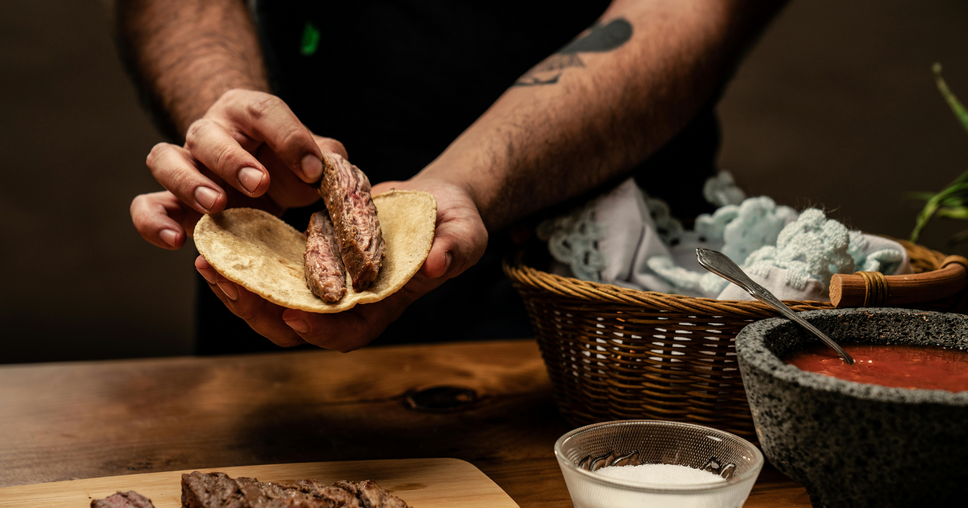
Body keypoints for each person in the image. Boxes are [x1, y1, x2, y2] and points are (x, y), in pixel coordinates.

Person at [119, 0, 785, 354]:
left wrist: (464, 182)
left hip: (588, 302)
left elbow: (694, 8)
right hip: (272, 267)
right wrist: (232, 128)